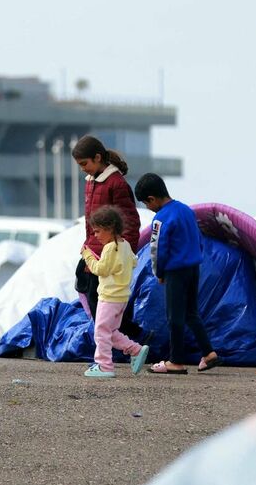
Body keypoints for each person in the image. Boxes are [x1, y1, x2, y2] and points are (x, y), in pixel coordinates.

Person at [134, 173, 221, 374]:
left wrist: (159, 272)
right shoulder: (186, 210)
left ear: (151, 199)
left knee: (174, 316)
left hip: (175, 271)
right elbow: (199, 239)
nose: (149, 208)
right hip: (193, 267)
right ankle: (209, 353)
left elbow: (157, 249)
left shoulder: (160, 218)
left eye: (146, 204)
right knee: (191, 313)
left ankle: (176, 361)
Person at [70, 135, 140, 321]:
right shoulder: (90, 182)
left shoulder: (116, 184)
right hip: (93, 252)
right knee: (94, 303)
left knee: (107, 310)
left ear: (98, 158)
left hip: (110, 257)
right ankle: (114, 338)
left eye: (84, 163)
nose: (82, 168)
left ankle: (132, 338)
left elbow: (130, 222)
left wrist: (126, 254)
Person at [79, 207, 149, 378]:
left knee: (100, 331)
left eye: (98, 231)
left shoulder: (110, 248)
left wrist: (88, 255)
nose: (96, 235)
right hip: (121, 297)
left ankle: (104, 365)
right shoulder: (125, 245)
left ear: (109, 228)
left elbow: (100, 269)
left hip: (109, 298)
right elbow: (133, 262)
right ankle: (135, 349)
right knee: (110, 331)